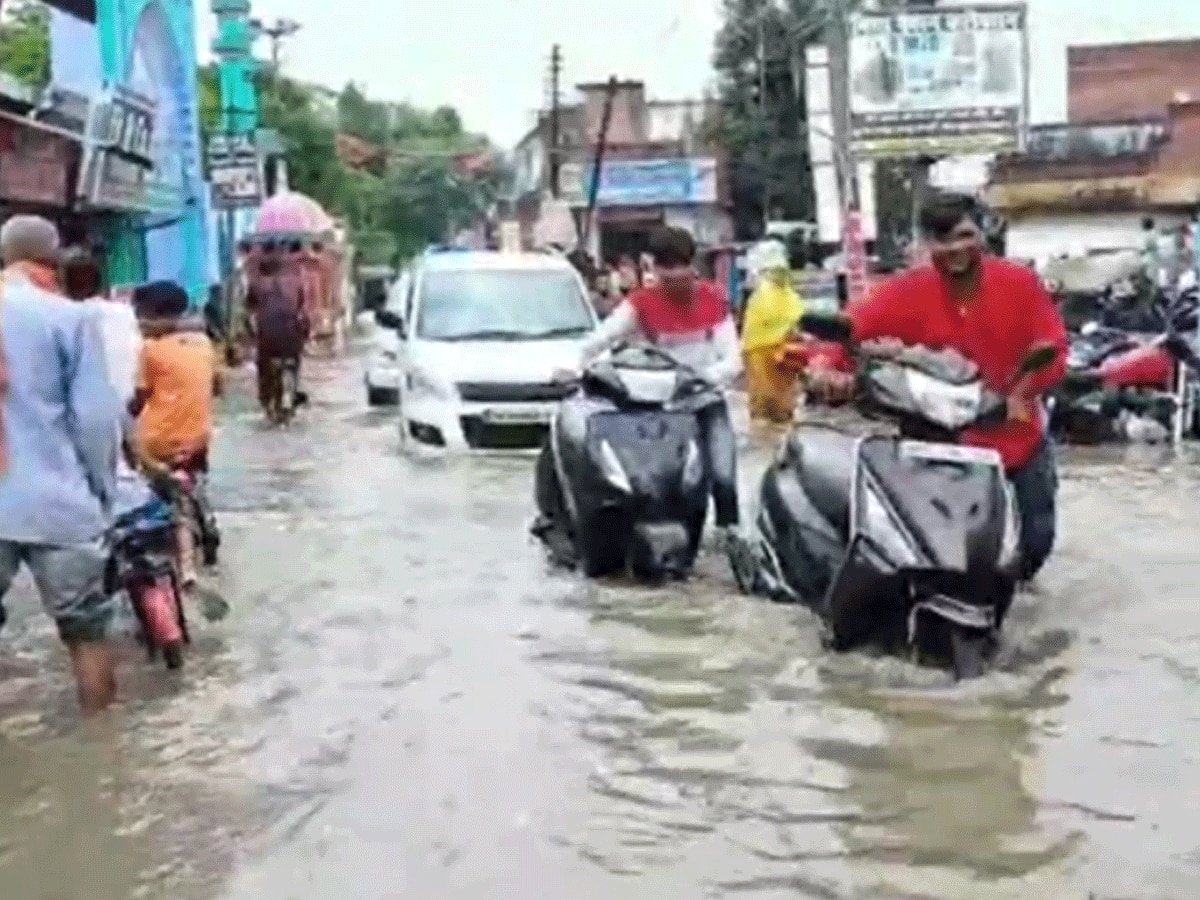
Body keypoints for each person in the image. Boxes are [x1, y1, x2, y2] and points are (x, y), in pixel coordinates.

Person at [808, 192, 1068, 580]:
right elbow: (854, 326)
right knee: (923, 537)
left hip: (1013, 422)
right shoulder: (908, 289)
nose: (954, 249)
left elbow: (1054, 347)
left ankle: (1013, 593)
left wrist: (1023, 391)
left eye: (964, 235)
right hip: (938, 431)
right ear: (926, 243)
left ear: (982, 233)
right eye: (940, 240)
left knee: (1038, 537)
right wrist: (825, 365)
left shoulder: (1020, 283)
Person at [0, 216, 123, 714]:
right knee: (86, 631)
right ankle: (100, 752)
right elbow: (96, 420)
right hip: (60, 501)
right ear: (53, 261)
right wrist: (104, 493)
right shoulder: (71, 319)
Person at [568, 225, 744, 541]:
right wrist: (573, 366)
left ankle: (729, 539)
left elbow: (734, 360)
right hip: (656, 411)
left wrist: (702, 378)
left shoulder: (713, 301)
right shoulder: (641, 303)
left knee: (724, 478)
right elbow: (600, 339)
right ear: (654, 267)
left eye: (681, 266)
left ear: (693, 266)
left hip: (704, 403)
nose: (675, 275)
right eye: (667, 267)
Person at [129, 281, 219, 590]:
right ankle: (202, 523)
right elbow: (217, 387)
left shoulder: (150, 351)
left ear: (154, 315)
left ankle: (173, 557)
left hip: (157, 443)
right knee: (192, 482)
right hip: (197, 439)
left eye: (140, 315)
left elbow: (138, 400)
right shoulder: (204, 344)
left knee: (154, 495)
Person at [740, 240, 804, 424]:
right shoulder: (787, 293)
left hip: (761, 349)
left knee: (764, 407)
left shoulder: (762, 292)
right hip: (781, 348)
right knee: (782, 405)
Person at [245, 247, 310, 418]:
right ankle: (294, 390)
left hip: (267, 337)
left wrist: (250, 337)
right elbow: (302, 310)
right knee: (295, 360)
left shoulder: (257, 284)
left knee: (263, 363)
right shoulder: (295, 282)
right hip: (291, 336)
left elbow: (249, 311)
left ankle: (266, 399)